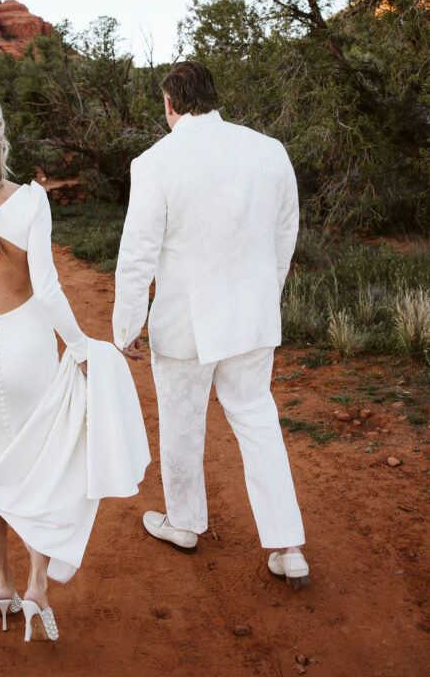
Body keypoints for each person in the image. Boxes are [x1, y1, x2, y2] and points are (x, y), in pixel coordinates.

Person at [0, 91, 149, 642]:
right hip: (29, 346)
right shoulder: (31, 201)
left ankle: (1, 584)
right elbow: (48, 289)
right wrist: (84, 347)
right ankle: (39, 584)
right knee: (44, 463)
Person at [112, 61, 309, 589]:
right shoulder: (269, 151)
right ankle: (288, 546)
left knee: (181, 422)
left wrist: (126, 324)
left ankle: (184, 523)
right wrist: (268, 291)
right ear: (212, 97)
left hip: (186, 325)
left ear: (170, 104)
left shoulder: (156, 162)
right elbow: (285, 231)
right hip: (252, 317)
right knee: (258, 420)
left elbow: (137, 256)